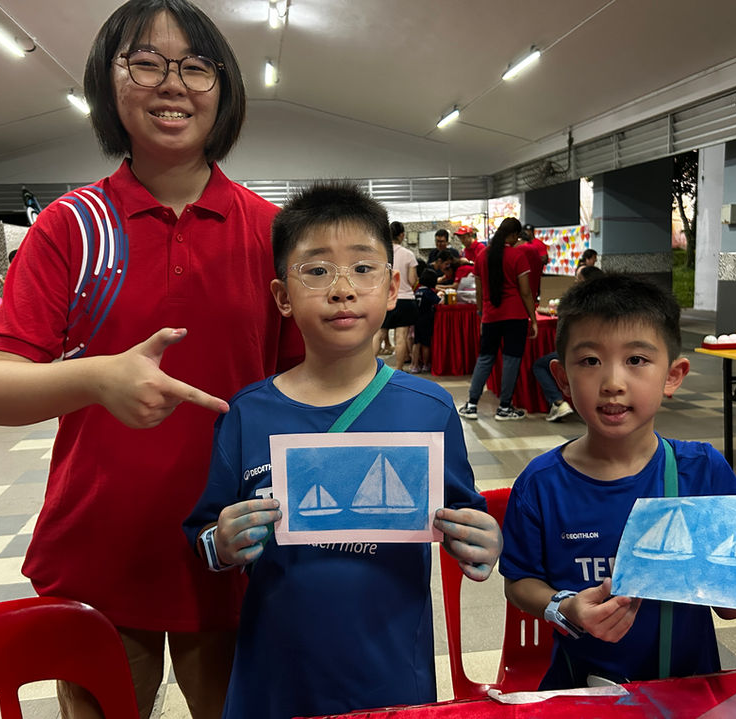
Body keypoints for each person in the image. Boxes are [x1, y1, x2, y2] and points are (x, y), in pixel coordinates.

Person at [0, 0, 302, 719]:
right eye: (144, 63)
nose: (172, 84)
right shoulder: (71, 227)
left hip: (234, 544)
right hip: (104, 551)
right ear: (108, 85)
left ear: (224, 89)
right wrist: (95, 378)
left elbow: (317, 387)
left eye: (197, 67)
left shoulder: (273, 232)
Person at [182, 182, 500, 719]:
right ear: (282, 296)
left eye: (362, 268)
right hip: (276, 674)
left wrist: (482, 544)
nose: (342, 289)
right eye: (316, 270)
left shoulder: (428, 409)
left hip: (391, 670)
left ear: (393, 286)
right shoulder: (248, 414)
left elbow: (466, 518)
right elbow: (204, 535)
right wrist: (223, 542)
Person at [500, 274, 736, 689]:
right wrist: (563, 607)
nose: (613, 383)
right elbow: (519, 583)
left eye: (637, 360)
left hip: (687, 688)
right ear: (562, 379)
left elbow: (729, 610)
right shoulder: (540, 484)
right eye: (590, 361)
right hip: (580, 688)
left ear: (673, 376)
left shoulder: (702, 472)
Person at [457, 217, 538, 422]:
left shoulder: (483, 255)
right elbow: (526, 292)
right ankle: (504, 407)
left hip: (491, 315)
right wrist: (533, 318)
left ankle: (472, 404)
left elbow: (480, 292)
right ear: (513, 235)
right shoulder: (517, 255)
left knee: (485, 358)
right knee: (511, 360)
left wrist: (480, 313)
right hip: (515, 315)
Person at [533, 265, 605, 422]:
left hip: (582, 352)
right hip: (604, 352)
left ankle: (557, 402)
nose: (575, 283)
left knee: (540, 365)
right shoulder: (609, 301)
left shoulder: (579, 303)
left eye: (578, 280)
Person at [374, 220, 417, 370]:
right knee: (401, 337)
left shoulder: (380, 254)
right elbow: (412, 280)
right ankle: (398, 370)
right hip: (405, 300)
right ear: (402, 235)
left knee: (379, 334)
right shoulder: (409, 254)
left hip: (385, 299)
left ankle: (368, 371)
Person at [409, 268, 441, 374]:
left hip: (416, 319)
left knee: (416, 343)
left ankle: (414, 365)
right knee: (425, 344)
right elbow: (439, 301)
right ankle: (426, 364)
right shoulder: (428, 292)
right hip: (426, 320)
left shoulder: (417, 291)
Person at [517, 223, 548, 304]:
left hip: (534, 275)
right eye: (526, 231)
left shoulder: (537, 244)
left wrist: (533, 260)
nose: (528, 232)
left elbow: (545, 259)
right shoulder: (523, 246)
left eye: (529, 231)